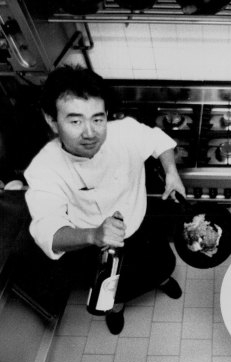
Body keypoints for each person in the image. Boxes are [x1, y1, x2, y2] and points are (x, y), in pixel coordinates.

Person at [24, 65, 186, 335]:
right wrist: (93, 235)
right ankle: (117, 308)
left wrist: (171, 172)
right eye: (75, 121)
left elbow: (159, 142)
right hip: (93, 243)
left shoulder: (124, 132)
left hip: (140, 224)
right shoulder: (45, 168)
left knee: (159, 264)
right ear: (52, 120)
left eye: (97, 119)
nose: (90, 132)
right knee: (115, 287)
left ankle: (163, 280)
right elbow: (48, 232)